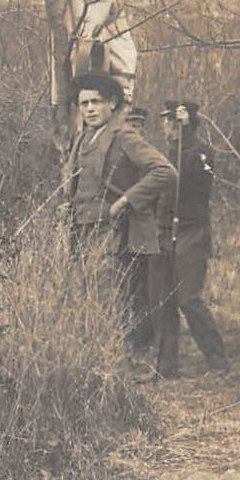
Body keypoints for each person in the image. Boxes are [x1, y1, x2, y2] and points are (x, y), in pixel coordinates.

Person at [65, 72, 177, 379]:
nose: (88, 109)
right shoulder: (82, 138)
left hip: (113, 236)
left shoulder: (124, 135)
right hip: (83, 234)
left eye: (96, 103)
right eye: (83, 103)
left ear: (112, 104)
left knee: (110, 305)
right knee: (88, 304)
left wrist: (126, 200)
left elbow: (164, 171)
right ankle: (102, 369)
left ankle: (117, 375)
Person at [157, 100, 230, 373]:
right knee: (165, 299)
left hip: (192, 232)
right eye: (166, 121)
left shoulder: (201, 153)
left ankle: (217, 358)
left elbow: (197, 181)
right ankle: (167, 365)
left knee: (188, 298)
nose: (165, 126)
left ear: (183, 124)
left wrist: (187, 133)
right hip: (167, 232)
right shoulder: (166, 154)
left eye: (171, 121)